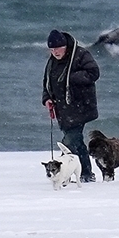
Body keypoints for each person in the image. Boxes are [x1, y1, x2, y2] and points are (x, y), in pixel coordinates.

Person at [42, 29, 99, 182]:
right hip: (62, 109)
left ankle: (61, 172)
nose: (55, 52)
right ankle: (86, 174)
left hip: (80, 106)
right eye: (52, 49)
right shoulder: (52, 61)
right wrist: (47, 98)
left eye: (57, 48)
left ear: (65, 45)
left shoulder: (80, 54)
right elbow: (47, 82)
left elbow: (94, 73)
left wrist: (72, 77)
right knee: (78, 143)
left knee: (69, 142)